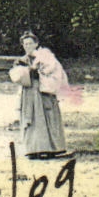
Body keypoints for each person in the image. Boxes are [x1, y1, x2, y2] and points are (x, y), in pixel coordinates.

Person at [11, 31, 68, 159]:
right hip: (29, 91)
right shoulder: (22, 60)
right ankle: (33, 149)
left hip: (43, 90)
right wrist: (22, 70)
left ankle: (51, 148)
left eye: (30, 43)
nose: (28, 46)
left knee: (46, 116)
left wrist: (36, 70)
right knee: (31, 117)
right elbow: (17, 76)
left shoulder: (45, 56)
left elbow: (52, 70)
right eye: (25, 44)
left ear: (36, 44)